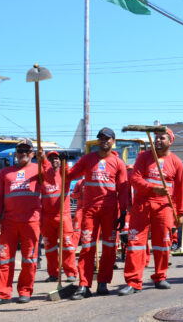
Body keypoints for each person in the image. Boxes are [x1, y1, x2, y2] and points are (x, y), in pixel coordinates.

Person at [119, 128, 183, 295]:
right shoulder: (143, 157)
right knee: (135, 242)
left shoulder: (176, 162)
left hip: (164, 207)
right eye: (156, 138)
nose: (158, 141)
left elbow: (180, 191)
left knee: (163, 243)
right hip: (142, 206)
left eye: (162, 138)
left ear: (171, 141)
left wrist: (180, 213)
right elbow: (134, 179)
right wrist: (153, 189)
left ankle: (160, 276)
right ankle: (133, 281)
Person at [67, 127, 130, 298]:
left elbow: (123, 189)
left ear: (113, 141)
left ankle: (103, 283)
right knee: (87, 247)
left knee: (109, 248)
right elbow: (70, 175)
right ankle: (84, 285)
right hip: (90, 211)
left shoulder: (118, 163)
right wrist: (61, 168)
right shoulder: (87, 159)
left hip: (110, 211)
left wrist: (123, 211)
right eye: (101, 138)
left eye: (107, 138)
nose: (104, 141)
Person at [0, 139, 44, 305]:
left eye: (27, 151)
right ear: (15, 153)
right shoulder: (5, 173)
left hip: (31, 222)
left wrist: (43, 160)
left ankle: (25, 291)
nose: (23, 153)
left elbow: (53, 179)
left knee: (29, 259)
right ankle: (2, 293)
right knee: (4, 259)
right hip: (9, 222)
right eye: (20, 151)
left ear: (32, 153)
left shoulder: (39, 169)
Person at [40, 151, 77, 283]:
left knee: (67, 246)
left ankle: (70, 273)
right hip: (47, 218)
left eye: (56, 158)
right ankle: (53, 274)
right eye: (51, 158)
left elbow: (68, 173)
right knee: (50, 248)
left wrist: (65, 164)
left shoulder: (64, 174)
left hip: (63, 216)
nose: (54, 160)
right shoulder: (42, 176)